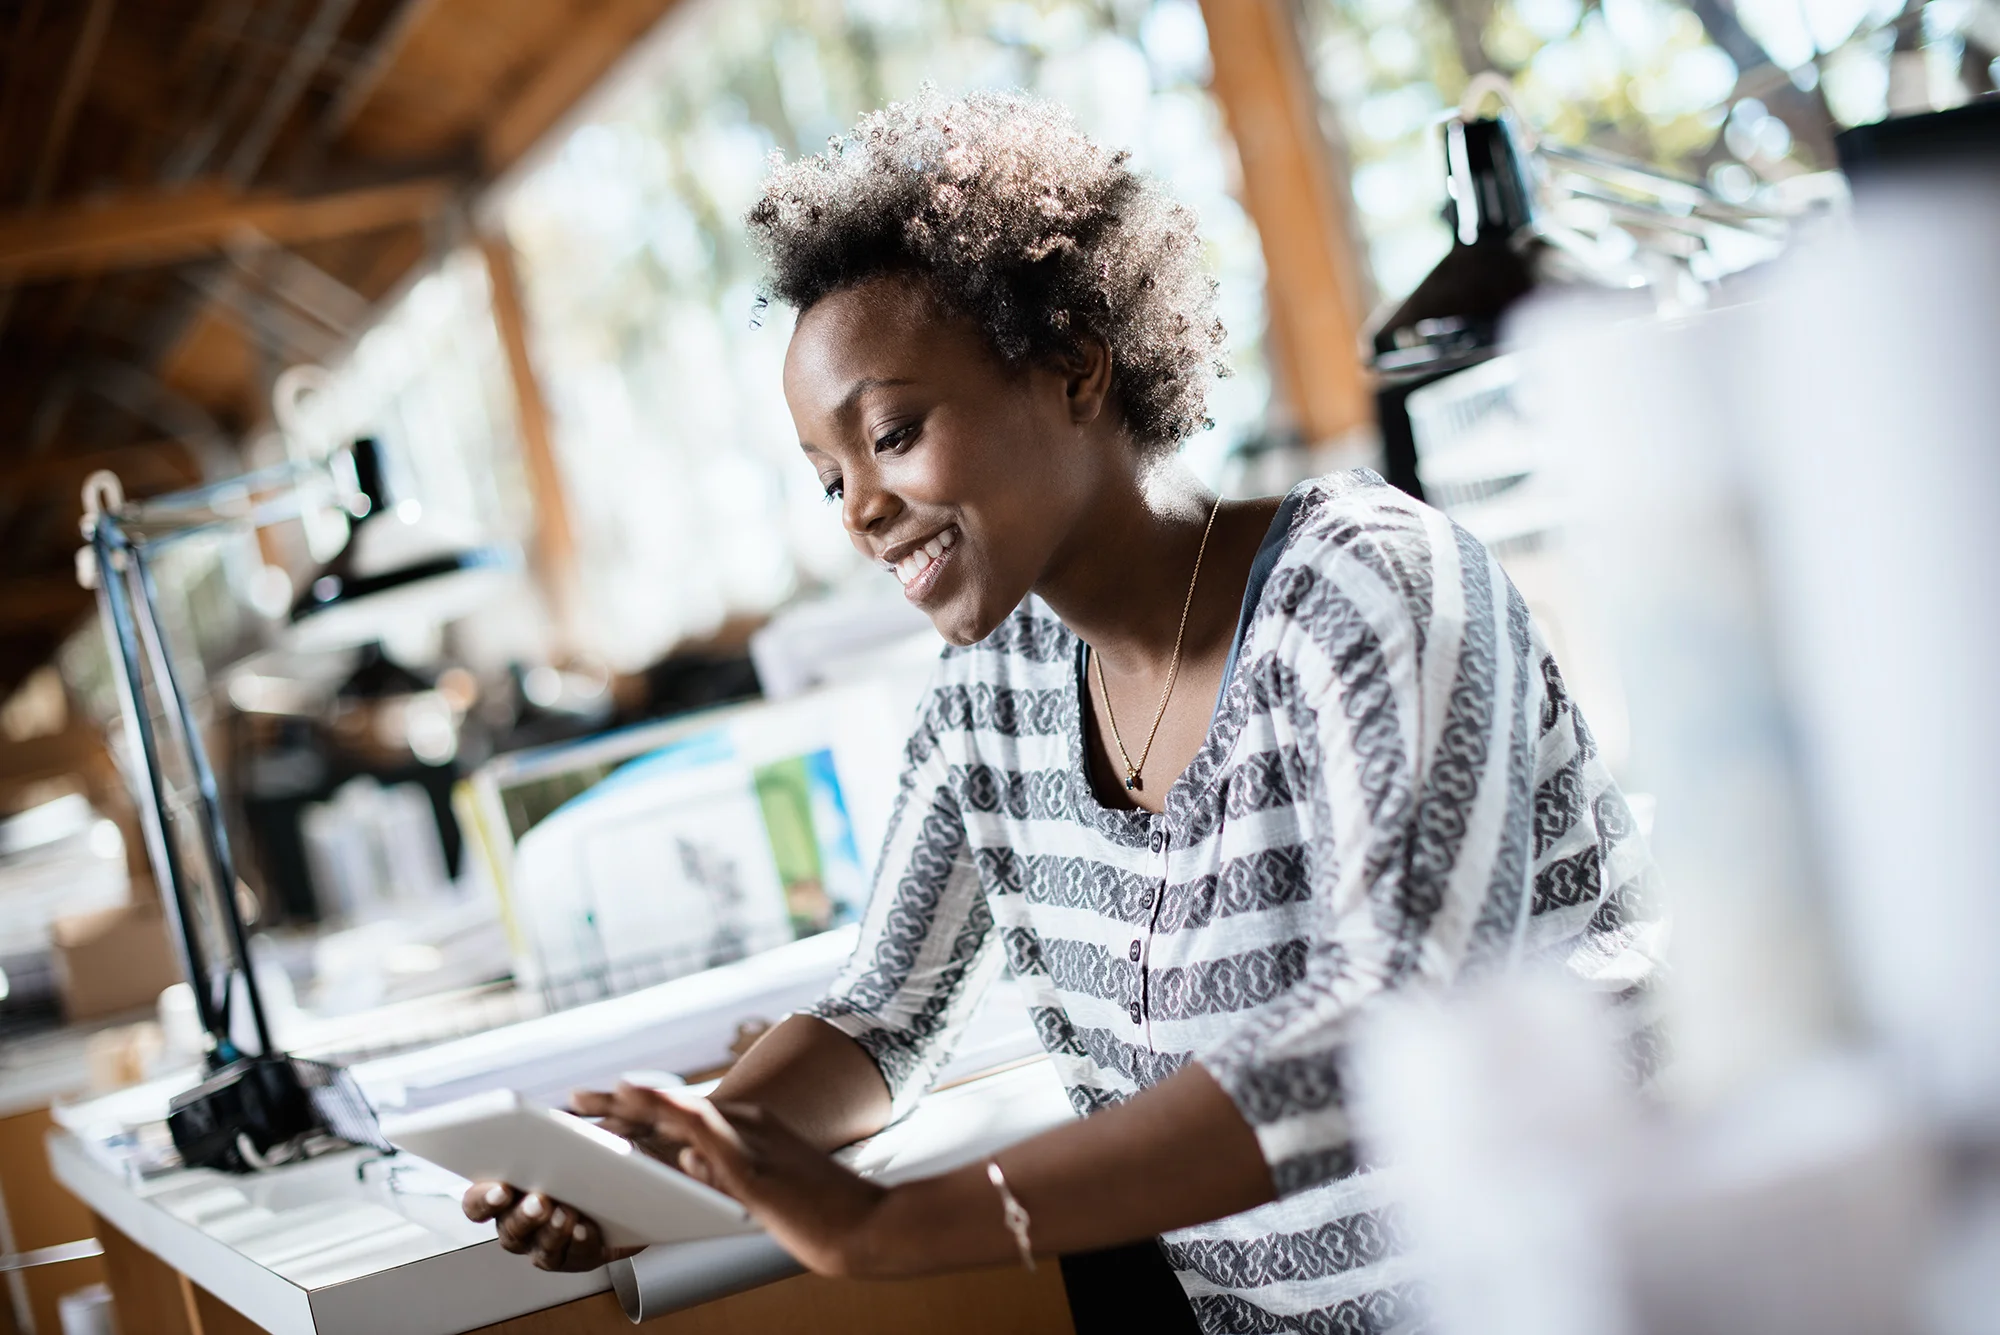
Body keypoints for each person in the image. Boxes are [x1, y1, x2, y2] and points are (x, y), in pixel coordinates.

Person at [463, 88, 1658, 1334]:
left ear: (1075, 368)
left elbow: (1396, 1021)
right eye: (828, 479)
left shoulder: (1368, 586)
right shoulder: (993, 698)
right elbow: (882, 1017)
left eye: (892, 433)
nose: (859, 511)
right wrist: (676, 1154)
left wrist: (888, 1228)